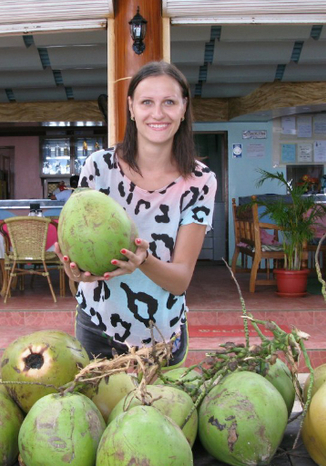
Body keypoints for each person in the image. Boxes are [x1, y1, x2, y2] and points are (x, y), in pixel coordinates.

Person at [55, 61, 217, 367]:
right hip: (96, 329)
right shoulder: (99, 168)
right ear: (131, 108)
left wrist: (144, 261)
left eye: (169, 102)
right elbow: (83, 254)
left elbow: (181, 279)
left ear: (184, 108)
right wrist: (75, 271)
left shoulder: (200, 181)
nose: (158, 113)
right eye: (147, 102)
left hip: (162, 337)